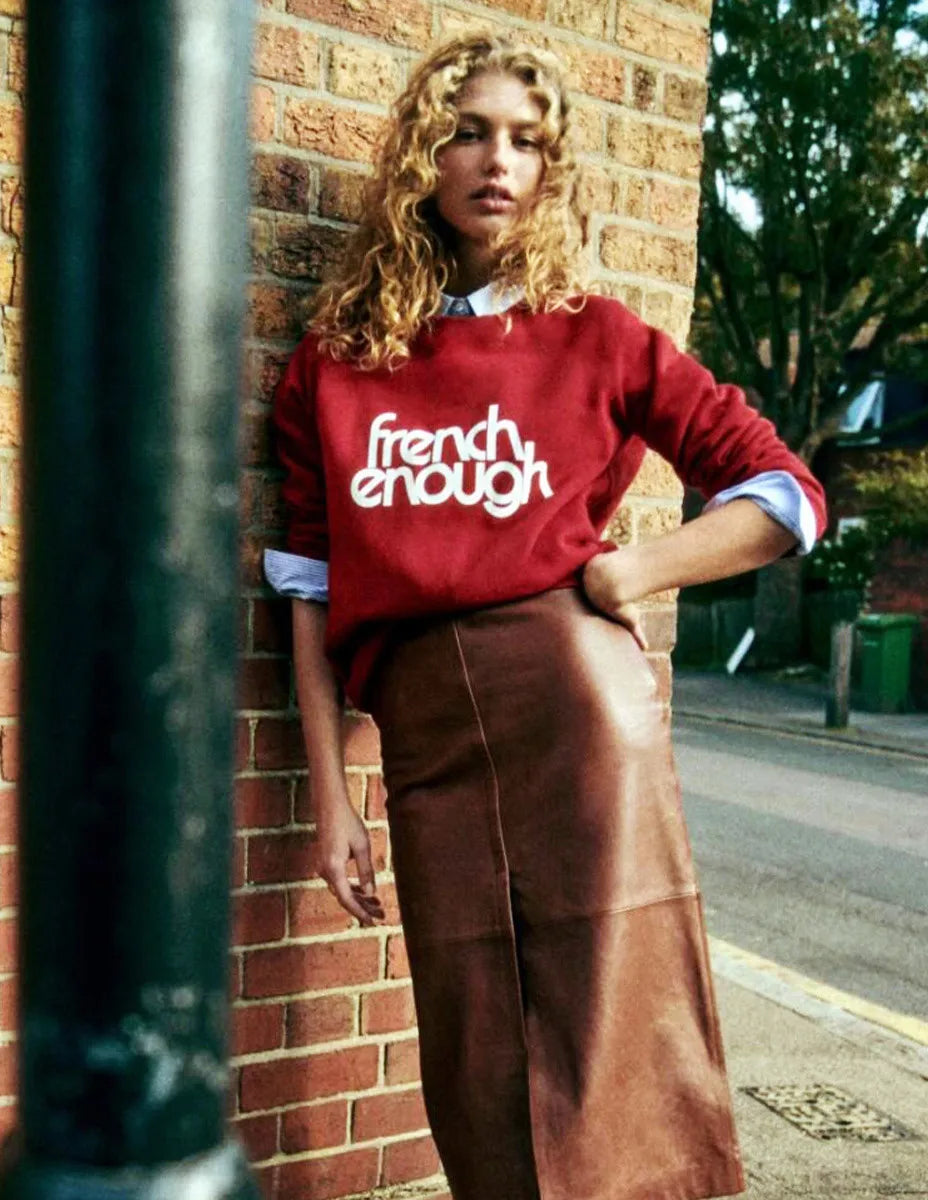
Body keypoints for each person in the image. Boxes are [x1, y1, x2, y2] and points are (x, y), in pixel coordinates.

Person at [262, 32, 826, 1200]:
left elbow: (782, 494)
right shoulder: (336, 363)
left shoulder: (600, 338)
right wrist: (332, 801)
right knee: (474, 1042)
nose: (496, 160)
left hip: (575, 712)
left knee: (624, 1019)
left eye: (526, 139)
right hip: (426, 733)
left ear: (554, 169)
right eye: (469, 130)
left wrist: (637, 576)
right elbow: (308, 599)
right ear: (426, 153)